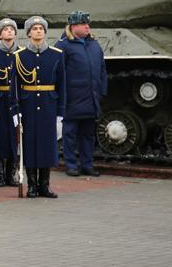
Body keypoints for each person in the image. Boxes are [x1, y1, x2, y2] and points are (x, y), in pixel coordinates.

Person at [16, 16, 65, 197]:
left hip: (48, 105)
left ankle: (44, 184)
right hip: (28, 105)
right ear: (28, 33)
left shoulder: (56, 55)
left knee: (46, 145)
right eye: (34, 28)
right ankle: (32, 185)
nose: (38, 31)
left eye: (41, 28)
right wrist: (16, 111)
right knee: (30, 144)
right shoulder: (19, 56)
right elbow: (15, 86)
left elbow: (62, 85)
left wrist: (61, 112)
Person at [56, 10, 107, 177]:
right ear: (73, 26)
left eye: (88, 23)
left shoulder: (93, 44)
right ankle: (71, 164)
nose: (87, 26)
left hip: (91, 97)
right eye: (83, 23)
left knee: (88, 135)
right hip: (72, 97)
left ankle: (87, 164)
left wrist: (101, 90)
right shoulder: (63, 46)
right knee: (70, 134)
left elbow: (102, 70)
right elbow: (58, 73)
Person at [0, 18, 20, 187]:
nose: (9, 31)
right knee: (1, 136)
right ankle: (0, 172)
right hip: (0, 100)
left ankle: (12, 172)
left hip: (15, 101)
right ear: (0, 34)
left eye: (11, 29)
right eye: (5, 29)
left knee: (15, 137)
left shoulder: (21, 54)